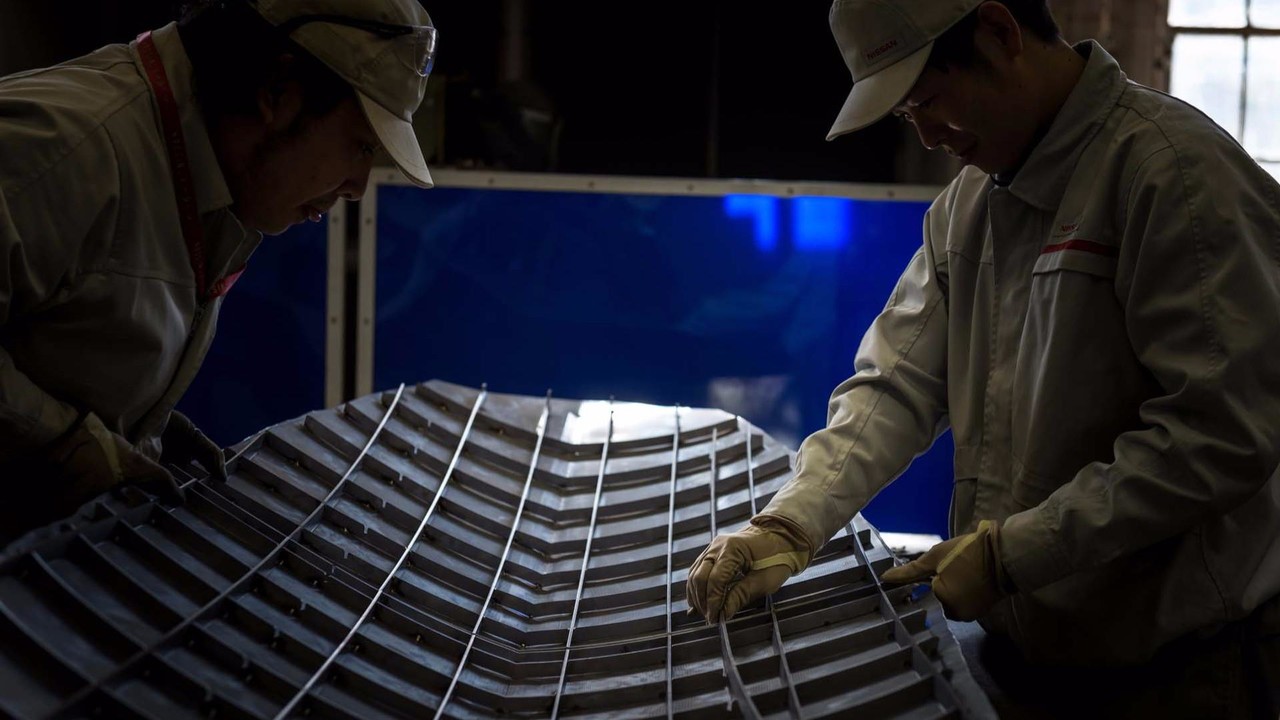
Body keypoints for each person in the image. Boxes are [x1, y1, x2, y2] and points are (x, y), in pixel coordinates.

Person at [687, 0, 1280, 716]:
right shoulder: (969, 205)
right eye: (906, 115)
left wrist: (1015, 553)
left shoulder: (1173, 174)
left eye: (929, 100)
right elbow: (896, 384)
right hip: (1031, 656)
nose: (928, 135)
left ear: (1000, 33)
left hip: (1183, 675)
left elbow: (1222, 433)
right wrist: (791, 521)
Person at [0, 0, 436, 544]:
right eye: (361, 145)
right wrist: (63, 445)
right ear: (277, 94)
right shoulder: (62, 147)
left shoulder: (201, 172)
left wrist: (134, 423)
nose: (358, 186)